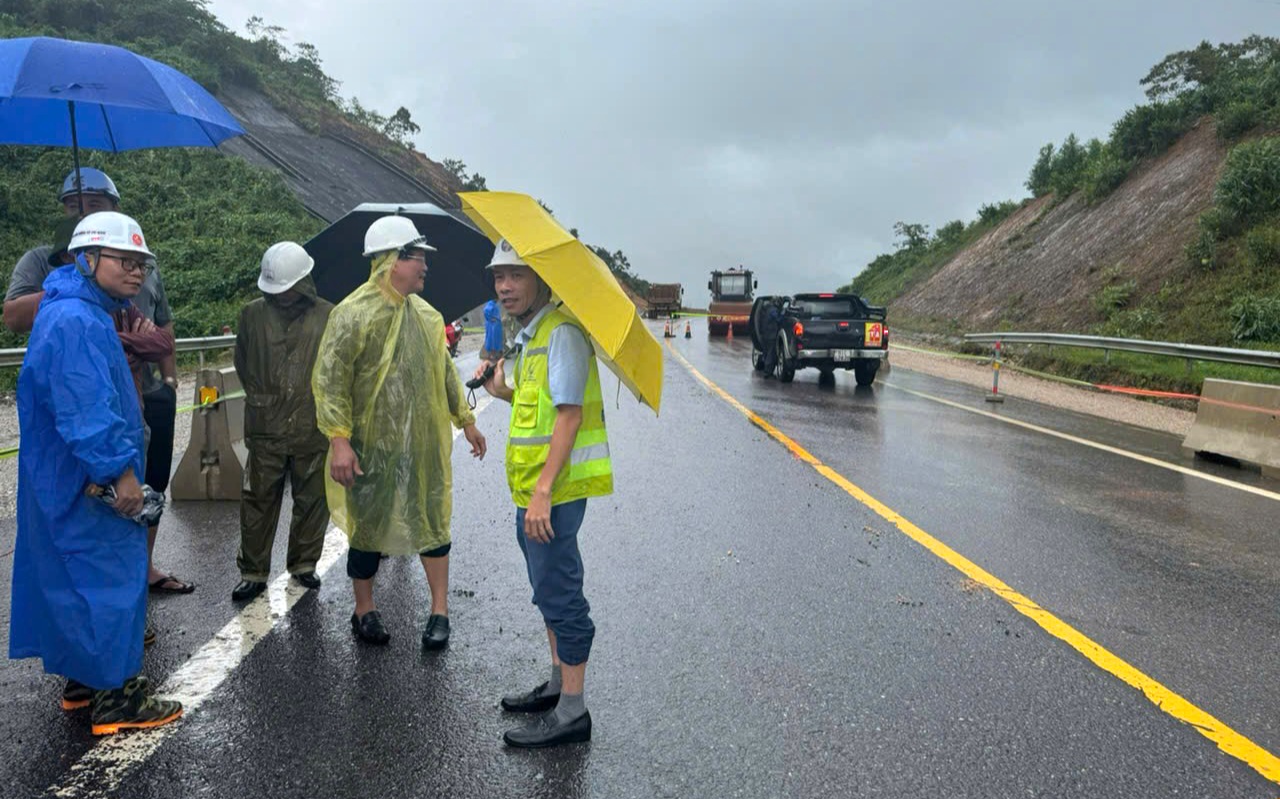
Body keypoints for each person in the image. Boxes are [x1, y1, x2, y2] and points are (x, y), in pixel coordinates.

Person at [9, 211, 183, 735]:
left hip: (64, 477)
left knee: (73, 577)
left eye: (141, 264)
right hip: (91, 478)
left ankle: (85, 680)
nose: (137, 273)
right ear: (87, 259)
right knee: (108, 576)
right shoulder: (78, 322)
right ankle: (118, 699)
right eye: (124, 261)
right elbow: (87, 409)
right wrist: (118, 473)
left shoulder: (75, 311)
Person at [3, 168, 193, 598]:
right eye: (75, 205)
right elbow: (16, 319)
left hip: (139, 396)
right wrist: (71, 281)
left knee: (147, 490)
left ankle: (139, 574)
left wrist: (168, 374)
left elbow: (163, 330)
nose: (135, 273)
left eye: (95, 204)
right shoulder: (50, 273)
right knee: (96, 518)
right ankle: (102, 635)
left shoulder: (136, 266)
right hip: (98, 416)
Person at [312, 215, 486, 648]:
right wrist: (339, 440)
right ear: (392, 260)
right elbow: (330, 381)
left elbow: (445, 372)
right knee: (367, 527)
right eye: (418, 257)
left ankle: (439, 611)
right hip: (370, 447)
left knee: (431, 519)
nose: (426, 266)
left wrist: (466, 421)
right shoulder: (351, 315)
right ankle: (363, 609)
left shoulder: (427, 317)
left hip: (423, 443)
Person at [476, 239, 612, 748]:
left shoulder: (562, 335)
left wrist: (544, 492)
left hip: (551, 494)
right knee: (545, 590)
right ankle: (558, 686)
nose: (505, 286)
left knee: (561, 593)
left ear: (541, 279)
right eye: (497, 277)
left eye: (515, 275)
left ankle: (573, 713)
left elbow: (570, 416)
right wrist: (502, 393)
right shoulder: (533, 337)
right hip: (533, 491)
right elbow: (541, 408)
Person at [231, 243, 334, 602]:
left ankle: (304, 564)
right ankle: (253, 571)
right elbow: (243, 363)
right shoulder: (251, 315)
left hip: (314, 423)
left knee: (312, 497)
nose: (283, 295)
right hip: (265, 424)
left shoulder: (328, 315)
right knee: (257, 497)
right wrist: (266, 398)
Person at [761, 299, 783, 377]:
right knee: (771, 353)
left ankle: (767, 370)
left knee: (766, 352)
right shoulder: (773, 311)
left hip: (765, 335)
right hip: (771, 335)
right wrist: (783, 314)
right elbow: (779, 319)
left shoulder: (766, 309)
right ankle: (767, 372)